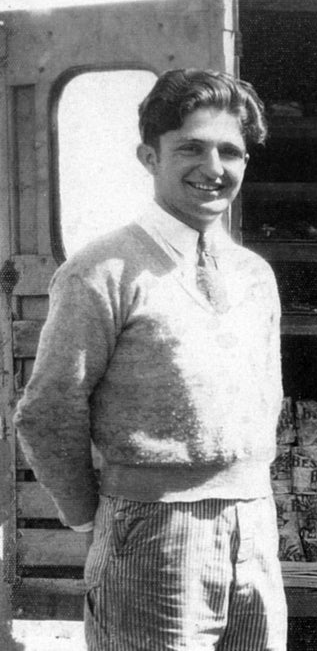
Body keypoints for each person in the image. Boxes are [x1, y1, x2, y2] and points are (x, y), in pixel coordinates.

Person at [14, 68, 286, 650]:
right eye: (191, 147)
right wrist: (95, 521)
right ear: (148, 155)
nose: (214, 168)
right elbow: (46, 410)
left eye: (231, 152)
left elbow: (268, 399)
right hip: (151, 531)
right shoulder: (102, 270)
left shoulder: (253, 275)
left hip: (254, 523)